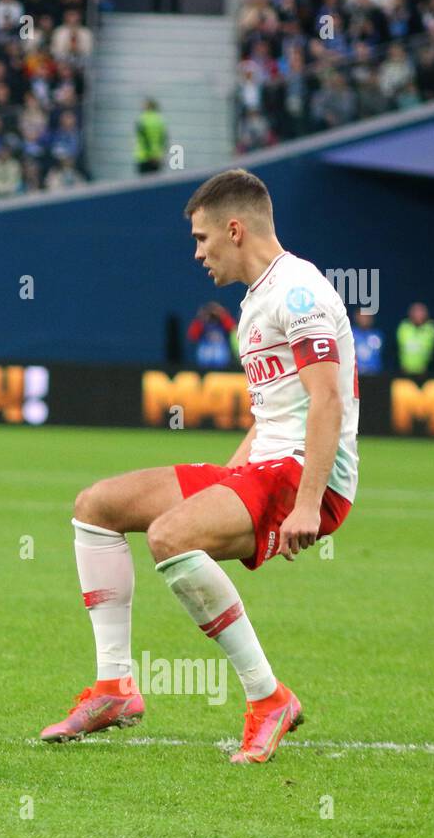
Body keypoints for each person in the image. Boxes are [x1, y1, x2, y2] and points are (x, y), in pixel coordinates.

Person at [40, 168, 358, 765]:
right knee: (97, 506)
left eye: (202, 239)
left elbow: (329, 401)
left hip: (304, 478)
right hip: (265, 466)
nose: (197, 253)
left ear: (234, 229)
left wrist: (311, 502)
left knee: (170, 536)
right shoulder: (256, 299)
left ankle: (269, 698)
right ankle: (114, 689)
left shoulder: (298, 291)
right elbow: (270, 414)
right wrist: (234, 474)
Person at [187, 301, 237, 369]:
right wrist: (200, 318)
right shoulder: (201, 324)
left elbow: (233, 328)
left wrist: (222, 314)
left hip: (222, 360)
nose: (212, 316)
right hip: (204, 361)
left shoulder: (222, 323)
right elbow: (192, 336)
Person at [396, 301, 434, 376]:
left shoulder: (432, 328)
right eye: (416, 311)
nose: (418, 314)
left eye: (421, 311)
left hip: (427, 372)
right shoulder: (403, 328)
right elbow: (396, 348)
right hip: (404, 371)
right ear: (410, 313)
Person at [135, 98, 168, 175]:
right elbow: (163, 139)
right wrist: (159, 155)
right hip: (157, 157)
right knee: (155, 182)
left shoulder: (142, 119)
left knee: (143, 184)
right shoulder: (160, 120)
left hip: (144, 157)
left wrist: (150, 155)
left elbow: (144, 139)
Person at [352, 308, 384, 374]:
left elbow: (376, 355)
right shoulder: (350, 334)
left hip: (374, 375)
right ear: (356, 317)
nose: (365, 319)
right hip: (355, 374)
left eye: (367, 316)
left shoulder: (377, 335)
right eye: (362, 316)